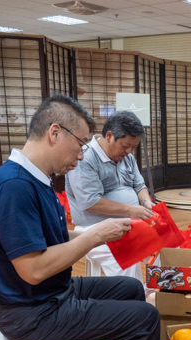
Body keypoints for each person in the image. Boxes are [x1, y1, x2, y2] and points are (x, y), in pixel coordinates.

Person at [0, 94, 164, 340]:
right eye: (80, 144)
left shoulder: (36, 180)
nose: (81, 156)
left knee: (132, 288)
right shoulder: (13, 186)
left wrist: (100, 234)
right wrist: (94, 235)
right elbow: (34, 269)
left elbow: (46, 238)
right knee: (144, 317)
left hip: (53, 294)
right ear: (54, 133)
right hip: (32, 312)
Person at [65, 111, 154, 281]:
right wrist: (130, 209)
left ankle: (160, 295)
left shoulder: (126, 157)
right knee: (127, 261)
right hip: (93, 227)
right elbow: (91, 202)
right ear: (109, 136)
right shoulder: (86, 158)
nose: (129, 151)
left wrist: (145, 201)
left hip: (130, 223)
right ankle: (133, 299)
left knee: (163, 248)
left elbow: (139, 186)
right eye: (125, 146)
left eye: (133, 147)